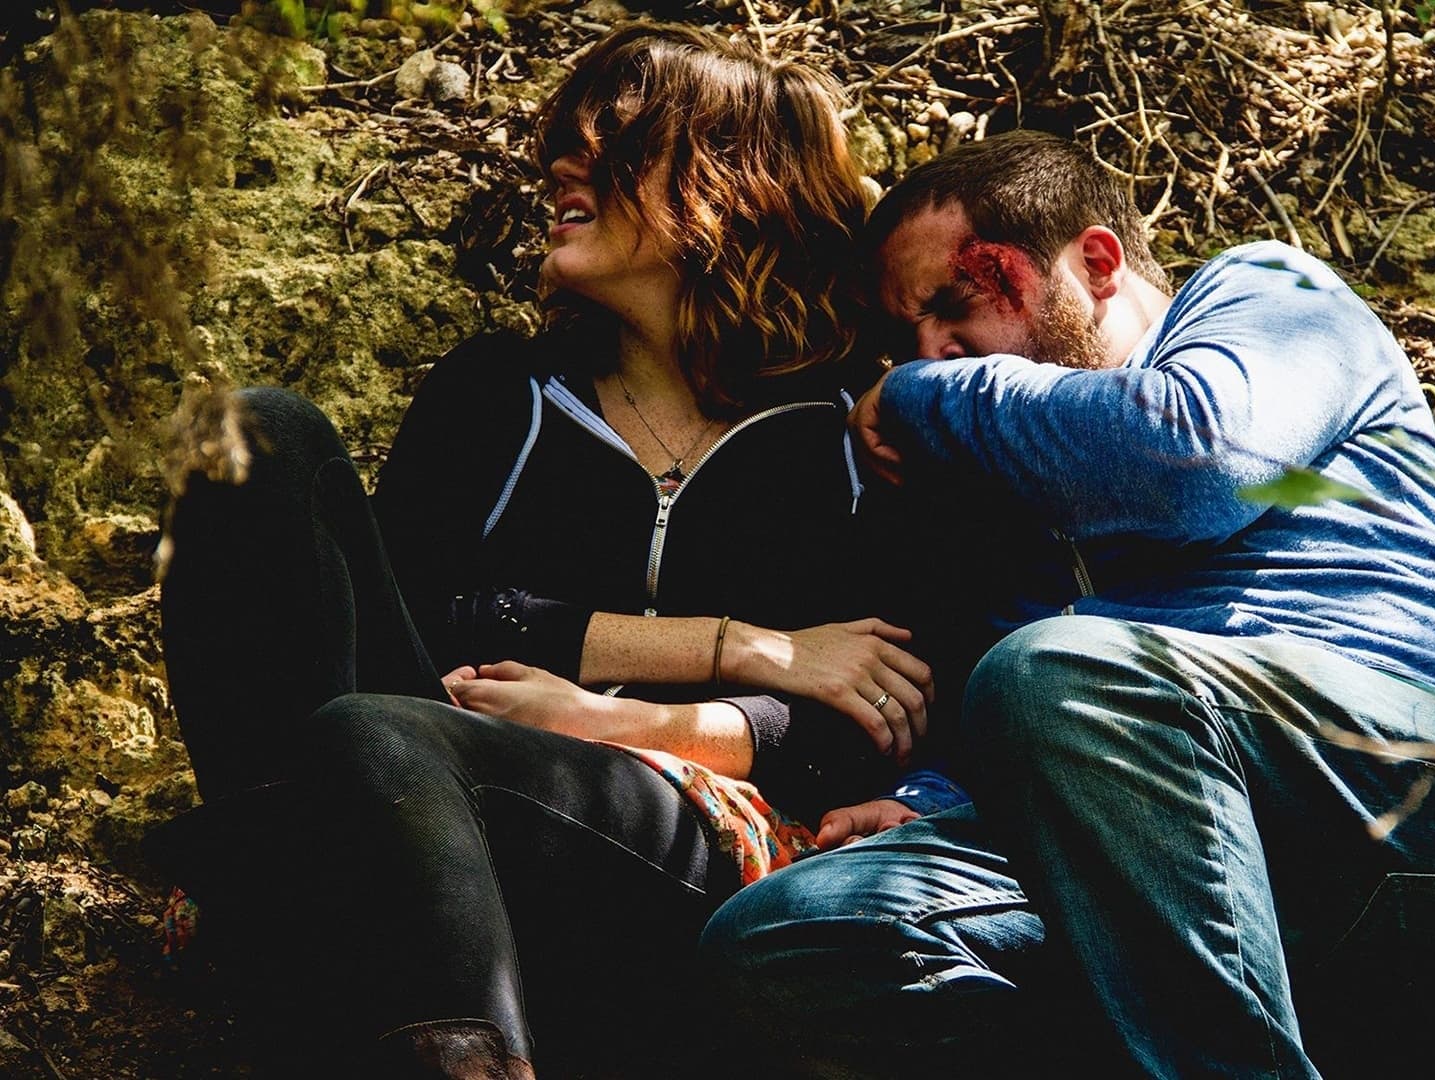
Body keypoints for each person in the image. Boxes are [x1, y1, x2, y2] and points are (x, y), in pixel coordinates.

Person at [699, 130, 1435, 1078]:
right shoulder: (1003, 500)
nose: (929, 354)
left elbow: (1199, 463)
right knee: (793, 937)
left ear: (1097, 263)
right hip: (1206, 906)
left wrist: (923, 396)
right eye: (905, 345)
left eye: (955, 307)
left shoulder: (1267, 293)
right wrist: (932, 805)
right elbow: (1071, 753)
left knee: (1057, 671)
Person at [150, 24, 962, 1079]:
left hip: (661, 855)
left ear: (732, 181)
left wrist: (606, 722)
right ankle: (302, 899)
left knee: (381, 736)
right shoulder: (499, 394)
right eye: (564, 147)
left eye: (609, 145)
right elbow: (431, 617)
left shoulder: (857, 434)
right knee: (255, 442)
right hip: (413, 803)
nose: (561, 170)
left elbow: (869, 717)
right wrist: (748, 648)